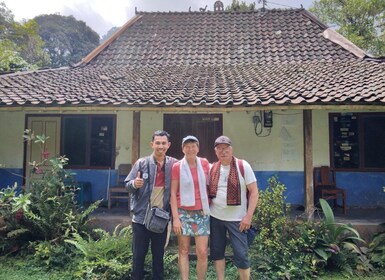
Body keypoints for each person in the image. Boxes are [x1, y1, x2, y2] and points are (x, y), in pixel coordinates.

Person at [125, 130, 177, 280]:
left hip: (160, 219)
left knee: (158, 257)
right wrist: (135, 183)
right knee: (138, 256)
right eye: (158, 143)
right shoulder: (141, 163)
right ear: (152, 144)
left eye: (163, 143)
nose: (160, 146)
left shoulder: (173, 164)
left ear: (168, 145)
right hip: (141, 218)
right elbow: (127, 185)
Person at [208, 135, 259, 280]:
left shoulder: (243, 166)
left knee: (241, 255)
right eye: (219, 149)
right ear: (215, 152)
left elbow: (254, 192)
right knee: (217, 252)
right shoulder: (213, 168)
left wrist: (248, 216)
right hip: (215, 217)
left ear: (231, 150)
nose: (223, 152)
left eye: (225, 148)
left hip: (237, 220)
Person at [170, 135, 210, 280]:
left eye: (193, 146)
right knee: (183, 249)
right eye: (187, 146)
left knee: (203, 251)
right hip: (183, 213)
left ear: (198, 148)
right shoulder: (177, 167)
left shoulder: (205, 163)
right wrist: (175, 218)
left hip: (202, 212)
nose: (190, 149)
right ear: (183, 149)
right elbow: (173, 193)